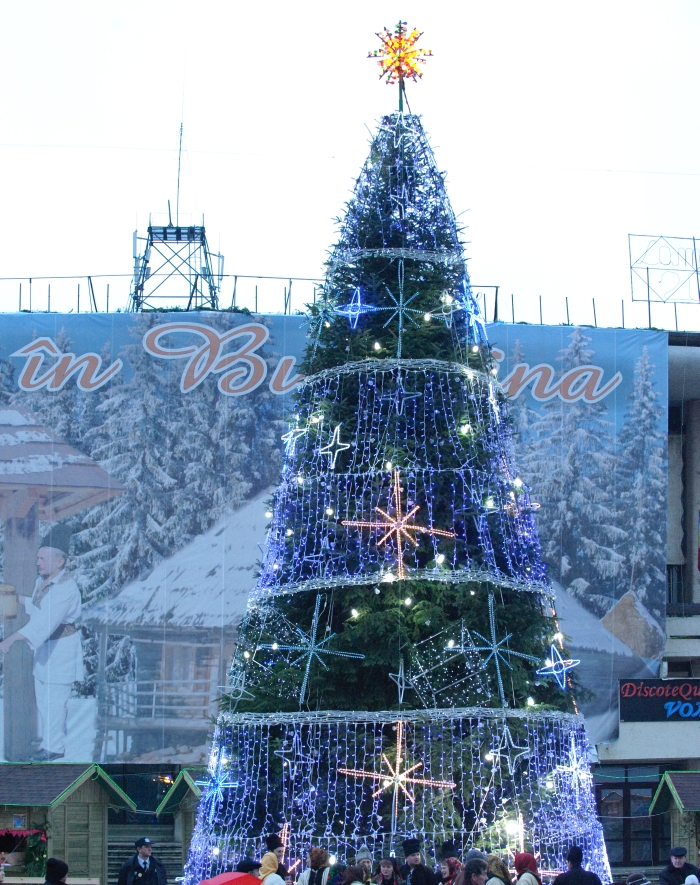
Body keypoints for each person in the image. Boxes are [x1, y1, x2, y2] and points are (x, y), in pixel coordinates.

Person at [0, 525, 84, 761]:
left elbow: (46, 621)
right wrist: (15, 598)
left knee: (55, 703)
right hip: (46, 650)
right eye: (38, 557)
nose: (38, 562)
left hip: (62, 650)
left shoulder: (65, 588)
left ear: (60, 561)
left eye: (43, 559)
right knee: (44, 702)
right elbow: (38, 609)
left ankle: (55, 748)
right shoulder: (44, 582)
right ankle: (48, 743)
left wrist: (12, 638)